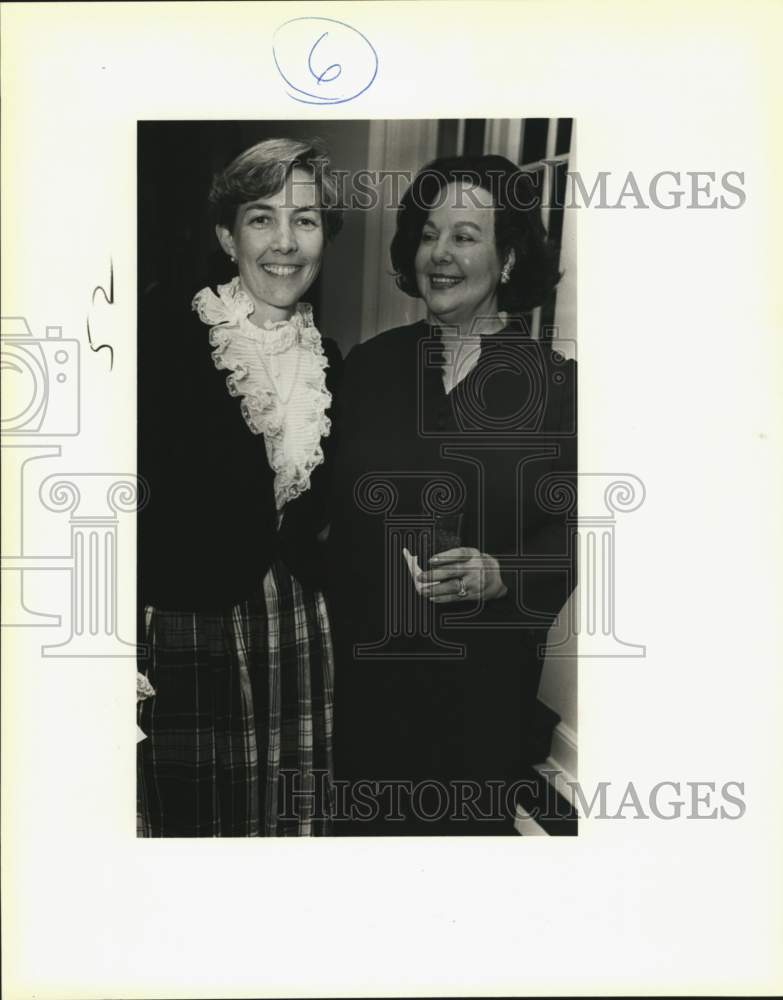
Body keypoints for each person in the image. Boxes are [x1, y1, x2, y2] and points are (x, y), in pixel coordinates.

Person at [327, 154, 577, 836]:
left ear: (507, 259)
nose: (438, 253)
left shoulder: (554, 386)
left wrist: (503, 574)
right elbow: (323, 510)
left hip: (479, 688)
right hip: (364, 680)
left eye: (465, 236)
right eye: (428, 233)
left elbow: (576, 532)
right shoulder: (371, 365)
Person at [137, 137, 343, 836]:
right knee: (196, 827)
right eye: (262, 218)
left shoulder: (330, 357)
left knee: (284, 822)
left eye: (306, 220)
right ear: (228, 235)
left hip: (295, 620)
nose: (285, 243)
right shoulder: (159, 335)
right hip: (188, 621)